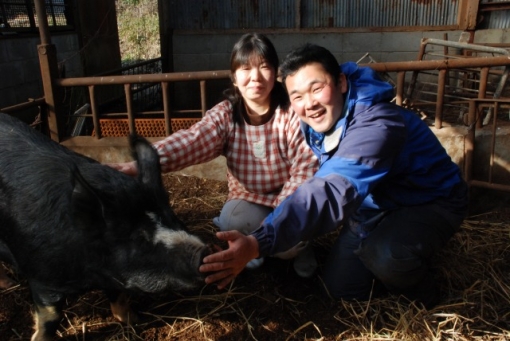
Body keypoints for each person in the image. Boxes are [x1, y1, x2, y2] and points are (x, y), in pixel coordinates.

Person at [199, 43, 469, 308]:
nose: (310, 104)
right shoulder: (318, 120)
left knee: (385, 257)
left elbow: (330, 189)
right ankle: (391, 256)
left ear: (340, 82)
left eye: (317, 88)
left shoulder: (378, 123)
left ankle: (428, 298)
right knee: (340, 291)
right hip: (372, 207)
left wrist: (259, 241)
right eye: (298, 96)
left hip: (428, 202)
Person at [109, 33, 319, 277]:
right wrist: (144, 164)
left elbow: (304, 171)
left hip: (288, 196)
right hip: (249, 196)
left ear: (276, 73)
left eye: (264, 67)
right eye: (245, 68)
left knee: (294, 232)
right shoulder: (226, 114)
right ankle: (253, 251)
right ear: (234, 77)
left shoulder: (292, 113)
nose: (255, 77)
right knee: (233, 221)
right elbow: (192, 140)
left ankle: (297, 249)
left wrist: (278, 220)